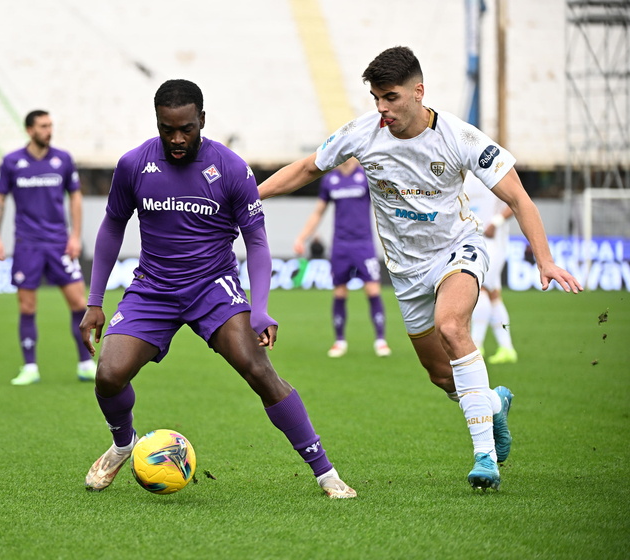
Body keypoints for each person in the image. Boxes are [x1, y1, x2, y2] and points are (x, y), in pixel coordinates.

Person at [258, 46, 582, 490]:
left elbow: (518, 197)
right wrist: (252, 195)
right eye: (375, 98)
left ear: (418, 92)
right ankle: (492, 403)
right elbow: (307, 168)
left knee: (451, 326)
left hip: (458, 251)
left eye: (390, 97)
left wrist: (544, 259)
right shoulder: (362, 134)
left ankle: (485, 456)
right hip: (406, 272)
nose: (381, 108)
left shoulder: (459, 137)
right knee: (439, 374)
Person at [79, 79, 355, 498]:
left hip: (213, 286)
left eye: (186, 129)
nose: (176, 138)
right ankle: (123, 445)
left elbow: (257, 242)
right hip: (153, 287)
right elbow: (113, 225)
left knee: (257, 368)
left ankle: (325, 472)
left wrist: (259, 309)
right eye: (167, 128)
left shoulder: (230, 168)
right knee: (109, 375)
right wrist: (95, 302)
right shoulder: (134, 164)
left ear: (202, 120)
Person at [0, 109, 95, 385]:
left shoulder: (63, 160)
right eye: (43, 126)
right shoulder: (12, 162)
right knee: (27, 306)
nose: (49, 130)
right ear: (29, 130)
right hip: (27, 244)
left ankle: (86, 363)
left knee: (79, 303)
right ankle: (30, 367)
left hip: (59, 243)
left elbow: (75, 197)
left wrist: (75, 236)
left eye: (50, 125)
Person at [293, 157, 391, 358]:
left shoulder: (366, 176)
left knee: (372, 289)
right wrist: (302, 237)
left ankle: (380, 340)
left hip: (363, 243)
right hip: (340, 245)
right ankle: (339, 341)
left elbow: (383, 206)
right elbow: (318, 212)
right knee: (339, 292)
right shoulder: (331, 180)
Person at [464, 172, 518, 364]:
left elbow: (516, 200)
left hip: (493, 242)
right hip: (473, 240)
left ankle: (476, 344)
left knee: (480, 289)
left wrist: (496, 222)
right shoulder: (463, 173)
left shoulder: (494, 170)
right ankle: (507, 348)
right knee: (493, 294)